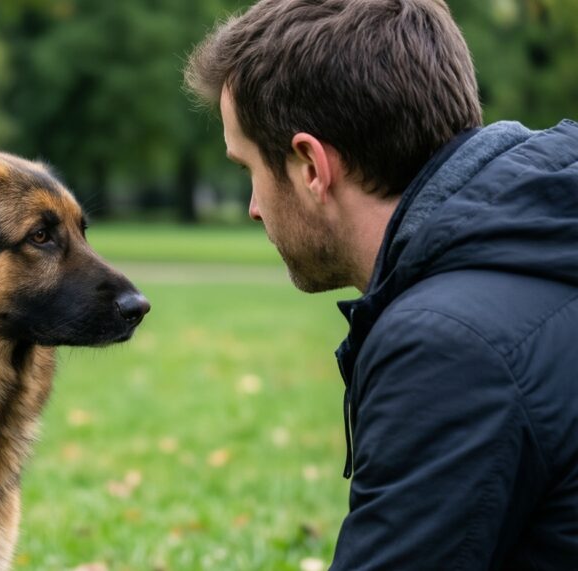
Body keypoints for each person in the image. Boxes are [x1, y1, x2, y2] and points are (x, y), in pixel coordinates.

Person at [185, 0, 578, 568]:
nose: (253, 207)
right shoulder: (546, 236)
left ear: (311, 167)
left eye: (248, 168)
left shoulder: (446, 345)